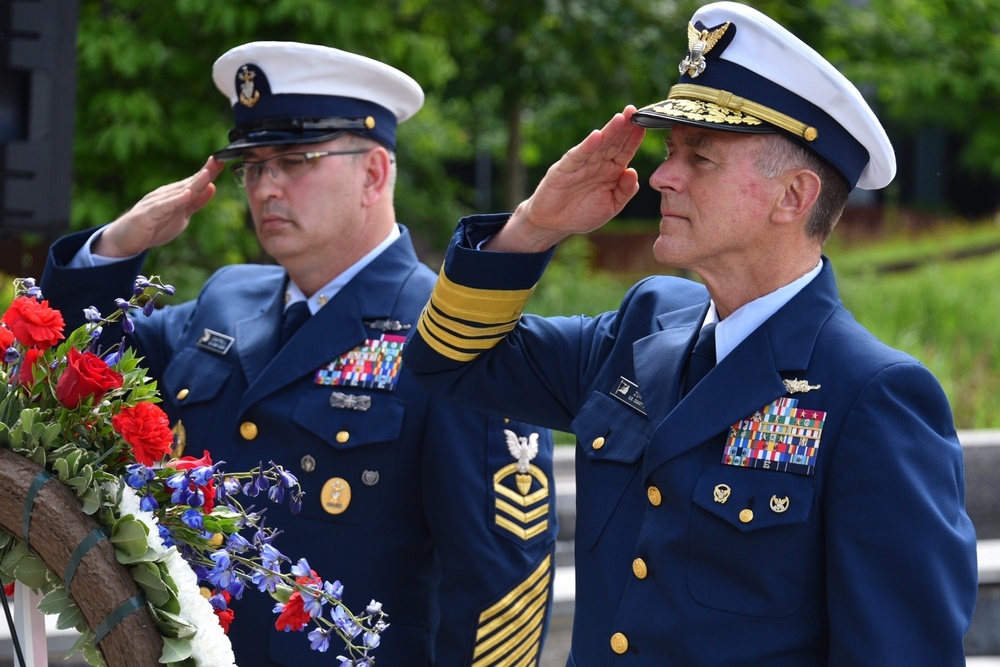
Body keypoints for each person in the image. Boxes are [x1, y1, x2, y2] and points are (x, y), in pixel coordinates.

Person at [404, 2, 978, 665]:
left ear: (793, 197)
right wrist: (535, 225)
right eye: (670, 151)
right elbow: (448, 361)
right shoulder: (643, 326)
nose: (660, 176)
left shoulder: (872, 395)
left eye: (698, 157)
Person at [40, 41, 558, 666]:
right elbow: (68, 373)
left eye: (293, 159)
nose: (266, 186)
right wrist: (116, 249)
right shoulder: (227, 298)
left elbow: (497, 588)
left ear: (373, 174)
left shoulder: (453, 334)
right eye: (253, 166)